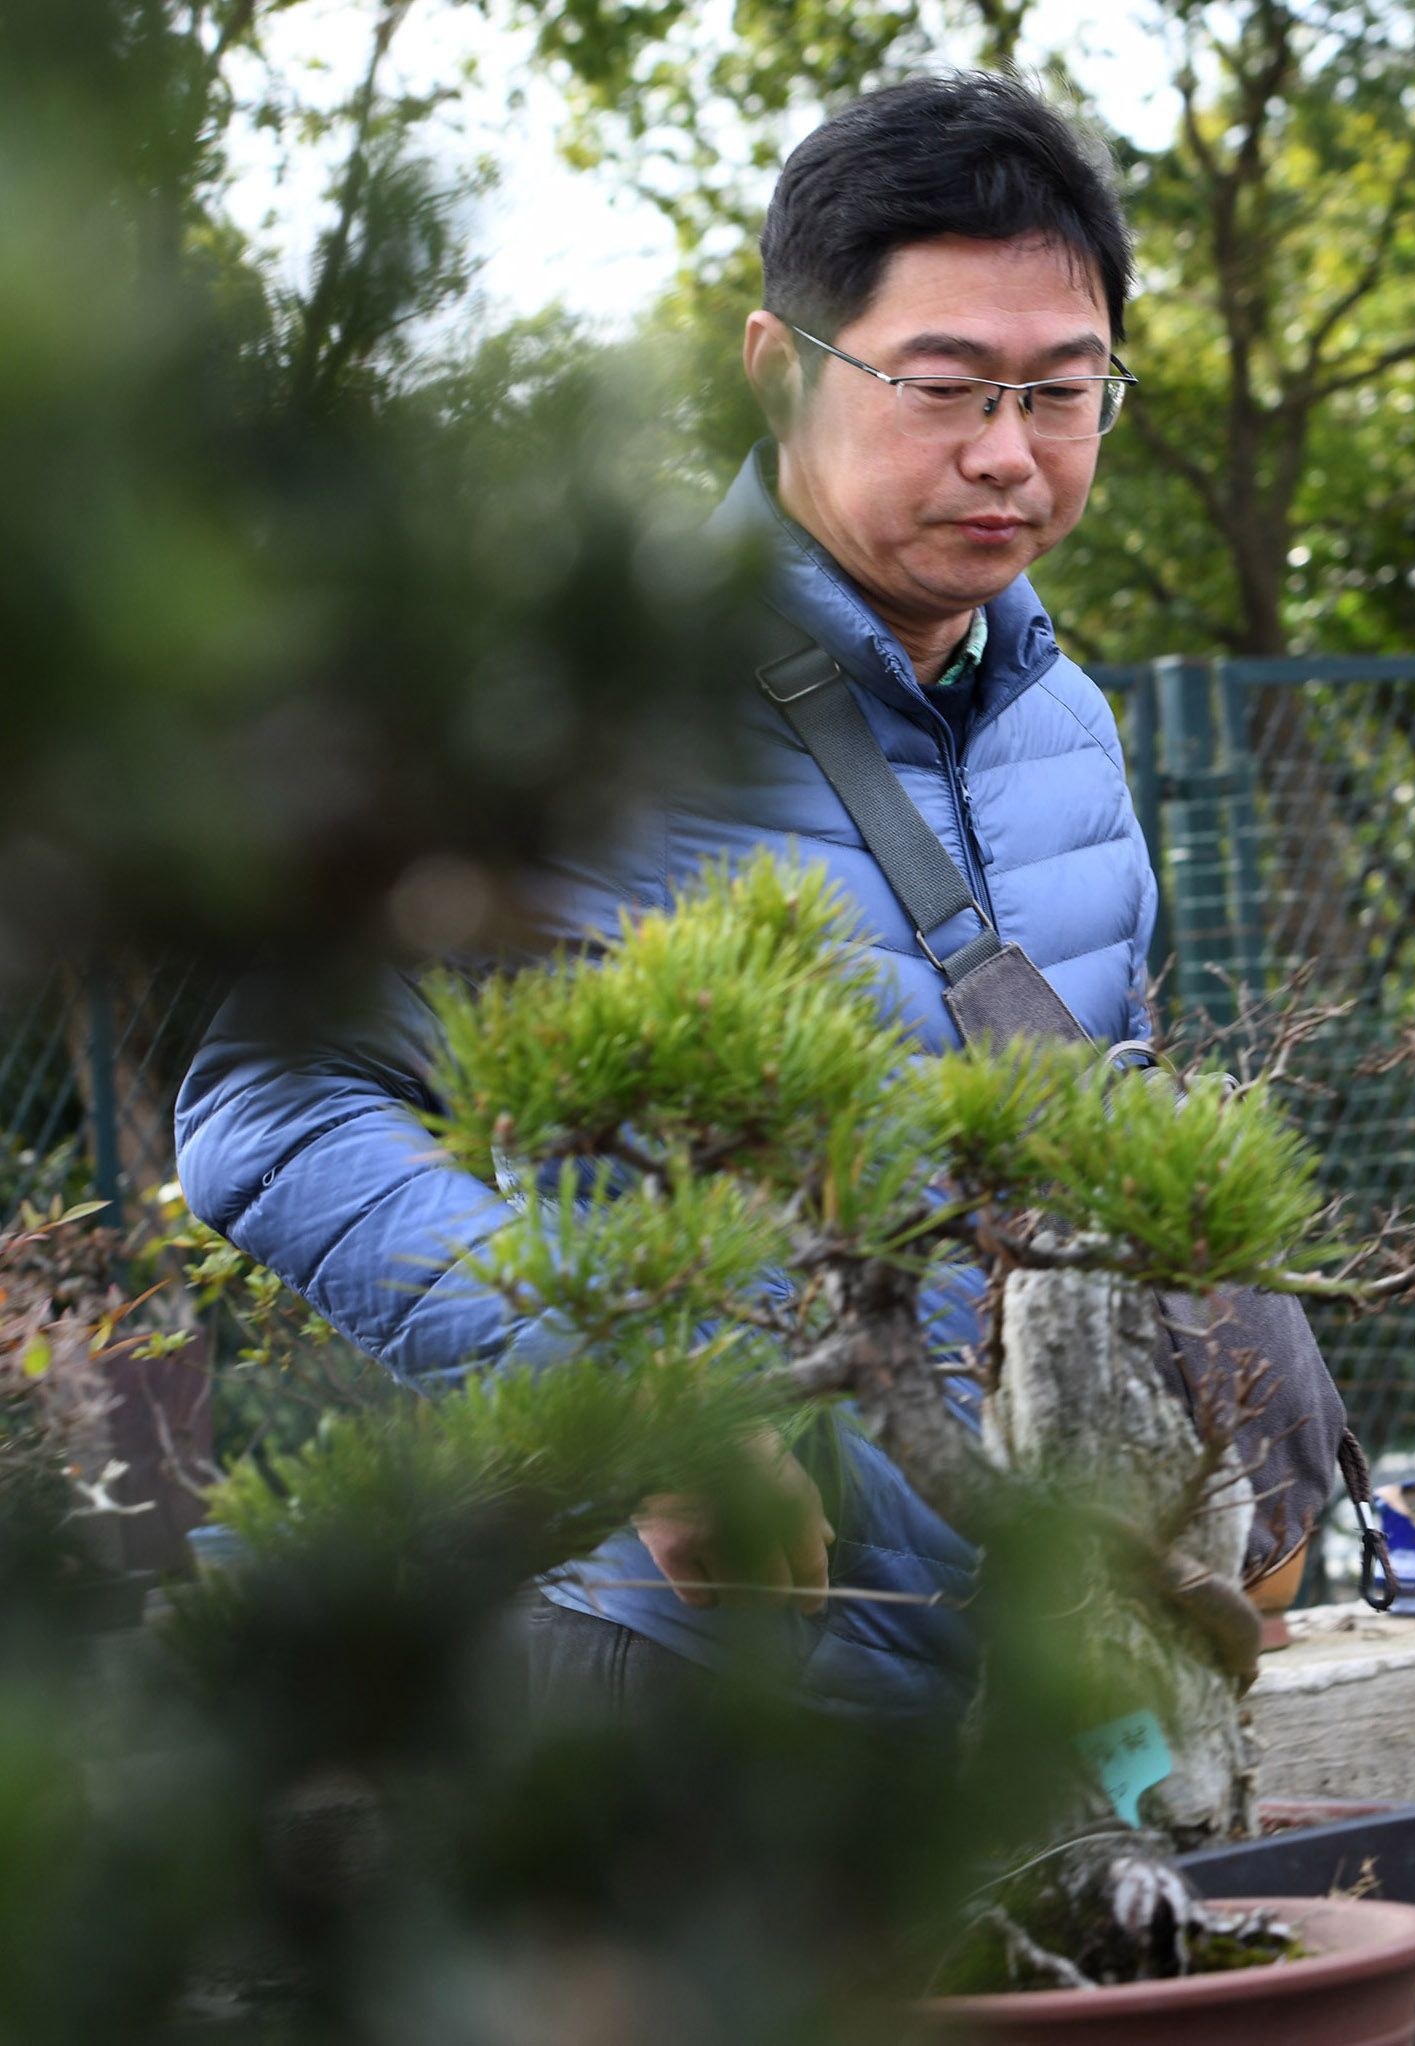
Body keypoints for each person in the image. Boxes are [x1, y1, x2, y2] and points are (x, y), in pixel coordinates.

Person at [176, 74, 1334, 1724]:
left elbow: (1100, 1113)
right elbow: (267, 1111)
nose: (1008, 452)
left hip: (1039, 1686)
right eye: (943, 387)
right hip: (688, 1679)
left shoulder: (1065, 720)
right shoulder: (570, 708)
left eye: (1063, 393)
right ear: (780, 370)